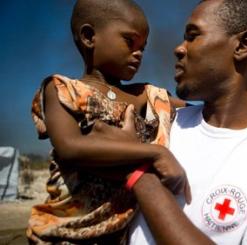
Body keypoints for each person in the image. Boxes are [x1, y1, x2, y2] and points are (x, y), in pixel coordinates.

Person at [87, 0, 247, 244]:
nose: (179, 48)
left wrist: (140, 176)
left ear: (244, 45)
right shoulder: (160, 124)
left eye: (193, 36)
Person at [27, 0, 190, 243]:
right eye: (129, 42)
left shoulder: (147, 96)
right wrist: (155, 153)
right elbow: (70, 147)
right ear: (89, 37)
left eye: (143, 48)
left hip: (122, 232)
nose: (139, 54)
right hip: (66, 231)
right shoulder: (63, 90)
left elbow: (202, 112)